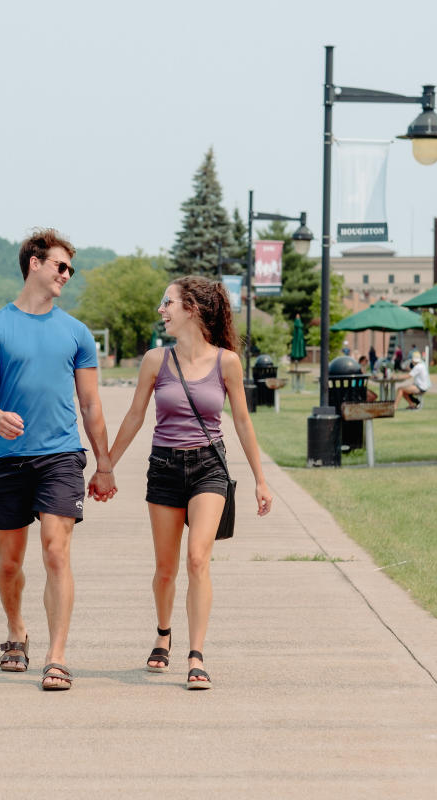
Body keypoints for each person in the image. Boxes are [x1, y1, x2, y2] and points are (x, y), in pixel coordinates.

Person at [107, 276, 272, 690]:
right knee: (166, 568)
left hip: (208, 469)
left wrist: (260, 480)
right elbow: (134, 417)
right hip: (164, 467)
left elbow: (242, 422)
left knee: (198, 559)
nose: (162, 310)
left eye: (168, 303)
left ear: (191, 309)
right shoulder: (154, 361)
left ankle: (196, 655)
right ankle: (164, 634)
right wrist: (105, 463)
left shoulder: (227, 362)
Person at [0, 228, 116, 691]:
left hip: (61, 457)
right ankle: (16, 631)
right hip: (8, 459)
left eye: (70, 269)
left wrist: (104, 463)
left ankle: (57, 656)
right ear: (34, 263)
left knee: (56, 551)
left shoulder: (76, 333)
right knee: (10, 563)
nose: (66, 275)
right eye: (61, 266)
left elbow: (91, 405)